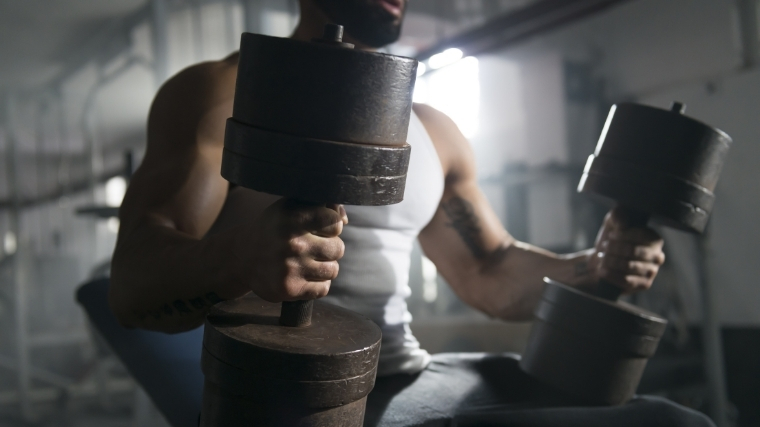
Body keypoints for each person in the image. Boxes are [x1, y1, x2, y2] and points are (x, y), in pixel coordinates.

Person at [108, 0, 713, 425]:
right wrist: (239, 257)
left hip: (408, 377)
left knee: (673, 421)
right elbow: (133, 284)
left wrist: (597, 267)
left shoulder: (433, 129)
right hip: (289, 401)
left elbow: (491, 273)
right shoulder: (219, 93)